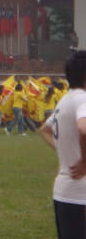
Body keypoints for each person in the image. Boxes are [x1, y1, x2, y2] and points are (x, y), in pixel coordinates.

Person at [39, 51, 86, 239]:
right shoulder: (82, 99)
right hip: (80, 192)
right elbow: (84, 128)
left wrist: (67, 151)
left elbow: (44, 130)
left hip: (64, 191)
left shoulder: (65, 99)